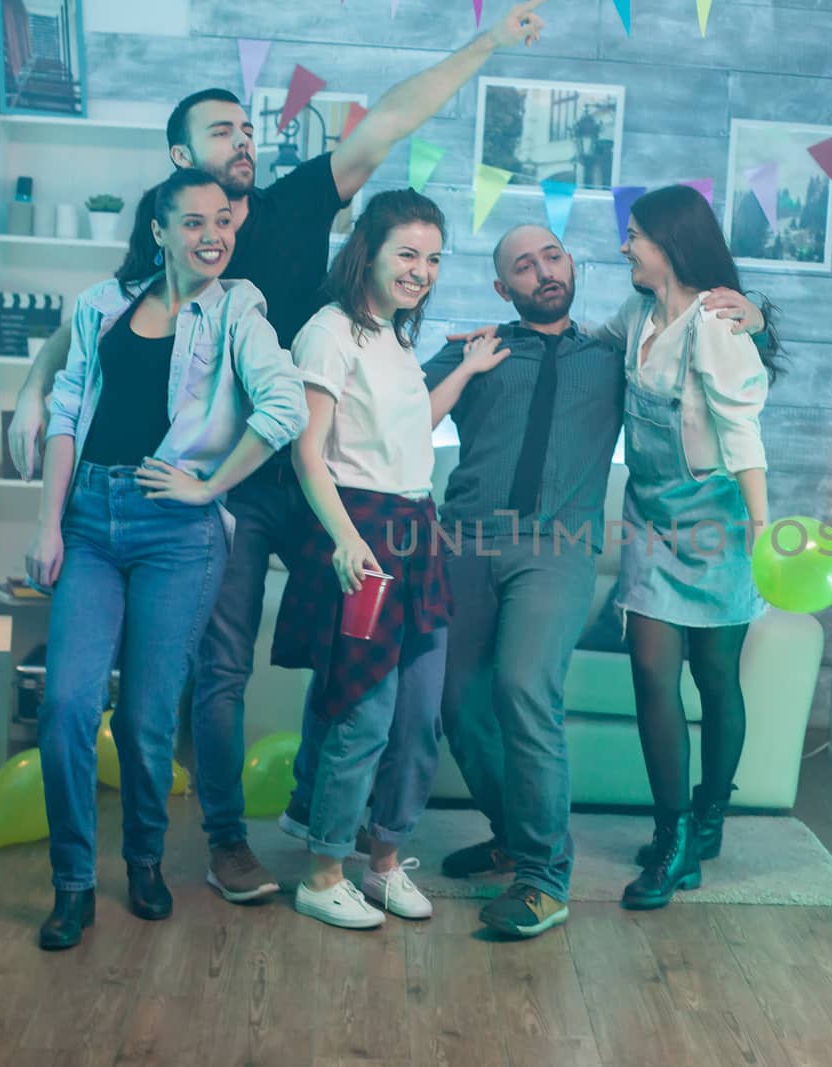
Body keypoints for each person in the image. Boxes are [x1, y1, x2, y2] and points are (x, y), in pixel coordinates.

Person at [2, 0, 550, 906]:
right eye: (223, 129)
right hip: (235, 490)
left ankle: (334, 834)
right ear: (181, 159)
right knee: (220, 663)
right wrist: (30, 385)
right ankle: (226, 840)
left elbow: (390, 121)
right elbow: (89, 329)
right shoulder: (175, 233)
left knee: (357, 653)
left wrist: (488, 41)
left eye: (249, 127)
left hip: (331, 473)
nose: (245, 139)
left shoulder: (298, 198)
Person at [422, 224, 766, 937]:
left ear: (571, 267)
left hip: (559, 546)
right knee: (455, 699)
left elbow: (706, 352)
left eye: (551, 257)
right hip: (465, 541)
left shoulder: (613, 352)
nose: (542, 271)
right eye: (523, 265)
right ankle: (511, 832)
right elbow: (390, 414)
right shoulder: (473, 352)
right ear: (501, 288)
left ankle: (544, 877)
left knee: (523, 686)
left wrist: (756, 315)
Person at [25, 170, 307, 951]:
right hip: (87, 518)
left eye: (222, 220)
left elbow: (286, 404)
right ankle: (73, 883)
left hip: (176, 535)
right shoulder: (100, 306)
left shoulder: (236, 310)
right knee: (67, 708)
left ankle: (143, 860)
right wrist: (47, 522)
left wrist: (210, 484)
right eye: (192, 222)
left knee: (148, 718)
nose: (211, 235)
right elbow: (66, 411)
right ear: (159, 229)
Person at [271, 189, 452, 931]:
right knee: (362, 709)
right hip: (362, 529)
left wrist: (465, 371)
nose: (421, 270)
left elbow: (409, 437)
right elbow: (306, 448)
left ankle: (381, 862)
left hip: (415, 526)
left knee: (418, 710)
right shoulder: (329, 330)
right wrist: (347, 540)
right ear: (368, 252)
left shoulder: (397, 338)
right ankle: (323, 870)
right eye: (407, 253)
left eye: (434, 258)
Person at [599, 185, 782, 911]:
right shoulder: (636, 314)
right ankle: (673, 837)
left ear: (670, 242)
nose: (624, 247)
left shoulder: (715, 323)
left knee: (715, 676)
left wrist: (764, 530)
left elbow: (742, 433)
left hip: (718, 519)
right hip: (649, 519)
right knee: (651, 672)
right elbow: (589, 338)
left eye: (635, 235)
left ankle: (710, 817)